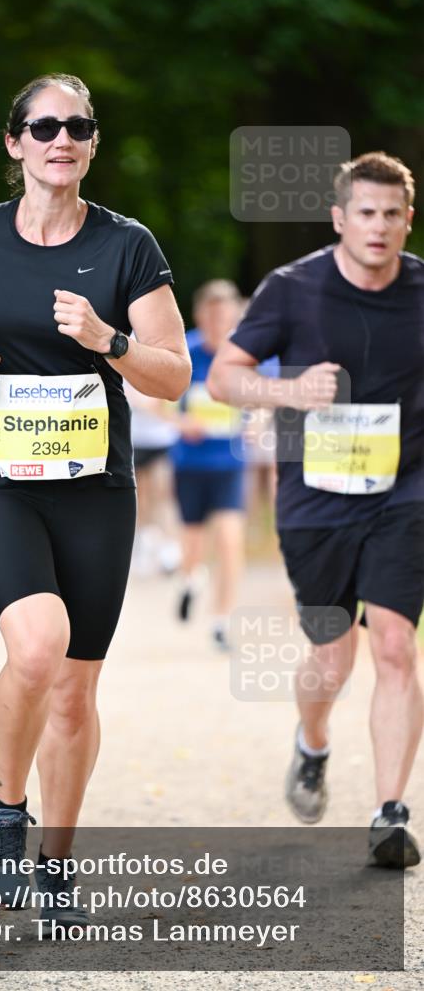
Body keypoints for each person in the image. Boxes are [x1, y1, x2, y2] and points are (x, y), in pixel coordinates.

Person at [0, 73, 191, 922]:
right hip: (0, 476)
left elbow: (172, 376)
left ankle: (56, 865)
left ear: (92, 143)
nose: (60, 139)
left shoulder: (128, 246)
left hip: (95, 487)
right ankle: (4, 808)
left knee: (75, 687)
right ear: (14, 142)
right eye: (43, 126)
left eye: (78, 126)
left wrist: (111, 342)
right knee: (37, 648)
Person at [208, 152, 423, 868]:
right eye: (365, 212)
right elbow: (222, 379)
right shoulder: (292, 288)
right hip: (315, 500)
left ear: (407, 221)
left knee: (393, 643)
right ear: (339, 218)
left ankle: (389, 813)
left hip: (405, 490)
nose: (379, 226)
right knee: (333, 653)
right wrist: (290, 394)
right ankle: (313, 742)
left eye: (392, 214)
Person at [170, 280, 246, 652]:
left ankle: (221, 621)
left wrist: (258, 421)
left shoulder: (245, 353)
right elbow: (157, 398)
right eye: (212, 315)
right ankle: (189, 580)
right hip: (190, 463)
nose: (219, 321)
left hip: (230, 464)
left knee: (230, 542)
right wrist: (182, 423)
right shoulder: (187, 350)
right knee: (193, 545)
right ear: (201, 315)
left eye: (225, 315)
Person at [124, 380, 180, 577]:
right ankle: (144, 545)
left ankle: (170, 549)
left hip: (161, 439)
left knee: (163, 494)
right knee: (140, 497)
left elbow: (169, 398)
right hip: (134, 439)